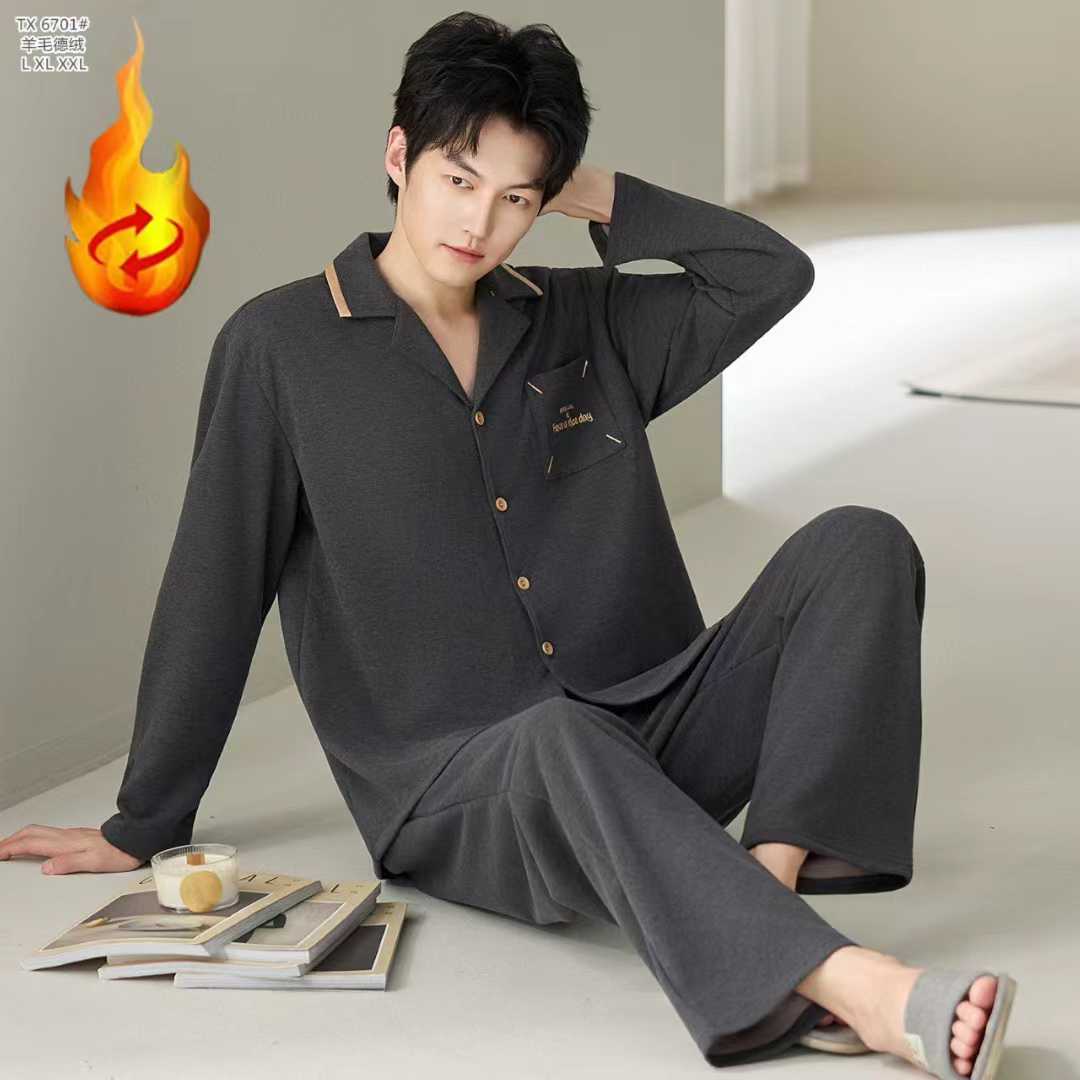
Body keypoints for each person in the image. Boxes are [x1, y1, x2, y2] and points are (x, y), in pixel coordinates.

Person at [1, 11, 1013, 1075]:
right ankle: (855, 983)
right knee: (556, 733)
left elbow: (770, 275)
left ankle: (765, 897)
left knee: (861, 542)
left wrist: (598, 193)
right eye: (458, 178)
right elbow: (216, 581)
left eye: (518, 197)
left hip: (649, 735)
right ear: (399, 155)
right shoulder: (280, 347)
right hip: (460, 794)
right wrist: (143, 817)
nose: (479, 221)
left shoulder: (581, 316)